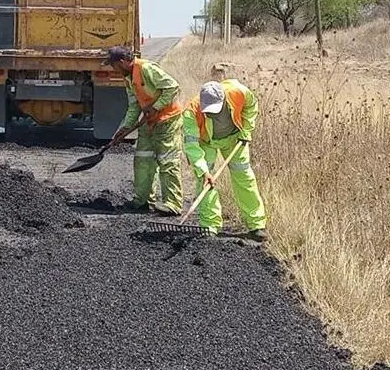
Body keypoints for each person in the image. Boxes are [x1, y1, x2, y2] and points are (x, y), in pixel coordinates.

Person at [103, 46, 184, 216]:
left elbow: (172, 87)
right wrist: (125, 128)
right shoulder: (128, 78)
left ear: (123, 62)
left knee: (167, 162)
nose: (114, 70)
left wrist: (156, 107)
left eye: (114, 66)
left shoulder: (146, 69)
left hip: (167, 120)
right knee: (143, 160)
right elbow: (134, 105)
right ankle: (143, 201)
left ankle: (173, 203)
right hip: (148, 122)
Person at [182, 79, 267, 240]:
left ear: (223, 99)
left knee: (244, 177)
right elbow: (192, 146)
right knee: (206, 181)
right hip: (207, 142)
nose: (211, 113)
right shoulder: (191, 112)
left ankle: (256, 224)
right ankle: (209, 226)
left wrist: (246, 131)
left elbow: (251, 105)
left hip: (235, 139)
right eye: (208, 110)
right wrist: (204, 170)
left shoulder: (238, 92)